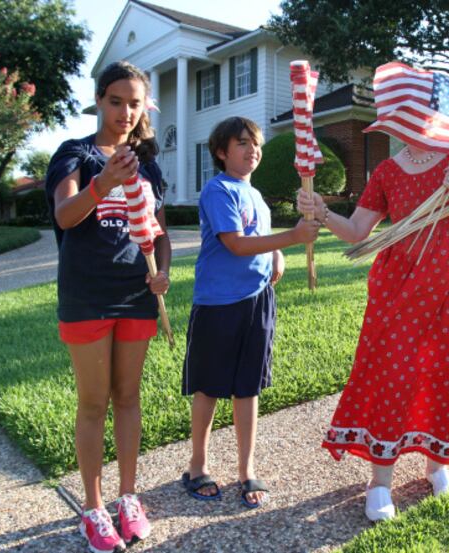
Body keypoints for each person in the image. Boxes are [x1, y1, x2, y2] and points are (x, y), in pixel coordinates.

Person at [298, 143, 449, 521]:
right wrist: (323, 212)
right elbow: (358, 230)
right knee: (395, 372)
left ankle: (438, 463)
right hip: (403, 282)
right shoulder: (387, 171)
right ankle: (380, 480)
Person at [45, 61, 169, 553]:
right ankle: (94, 508)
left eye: (134, 103)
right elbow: (66, 215)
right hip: (87, 294)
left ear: (144, 107)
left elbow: (158, 233)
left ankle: (127, 498)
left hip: (136, 294)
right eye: (116, 101)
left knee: (129, 397)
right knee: (94, 402)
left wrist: (163, 272)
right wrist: (103, 183)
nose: (125, 112)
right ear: (99, 100)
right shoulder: (75, 154)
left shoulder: (150, 164)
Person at [181, 116, 320, 509]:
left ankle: (246, 469)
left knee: (248, 387)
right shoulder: (218, 190)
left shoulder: (255, 195)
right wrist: (291, 238)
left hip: (257, 300)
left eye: (255, 143)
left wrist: (276, 252)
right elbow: (237, 244)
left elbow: (258, 236)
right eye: (242, 143)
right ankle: (197, 466)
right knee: (208, 386)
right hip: (217, 304)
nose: (252, 149)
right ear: (222, 152)